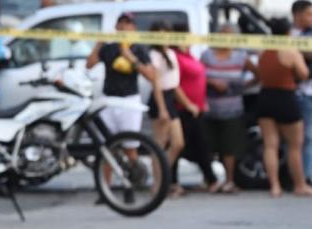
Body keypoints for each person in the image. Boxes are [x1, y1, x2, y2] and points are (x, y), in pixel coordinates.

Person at [86, 13, 158, 192]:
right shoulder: (110, 48)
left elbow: (151, 75)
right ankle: (105, 189)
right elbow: (90, 64)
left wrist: (130, 57)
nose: (125, 27)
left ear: (134, 28)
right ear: (116, 27)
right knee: (107, 148)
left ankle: (135, 181)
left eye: (129, 24)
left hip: (129, 102)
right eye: (122, 23)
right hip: (109, 101)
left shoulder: (138, 49)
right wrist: (99, 44)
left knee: (130, 147)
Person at [256, 17, 312, 198]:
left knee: (270, 145)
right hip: (285, 97)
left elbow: (261, 73)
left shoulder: (263, 50)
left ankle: (274, 186)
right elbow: (304, 74)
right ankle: (300, 184)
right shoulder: (290, 51)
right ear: (288, 32)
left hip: (265, 96)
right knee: (294, 146)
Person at [200, 25, 256, 193]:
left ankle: (229, 180)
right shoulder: (207, 56)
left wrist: (242, 87)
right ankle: (210, 179)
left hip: (232, 110)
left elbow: (258, 74)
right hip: (209, 108)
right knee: (208, 146)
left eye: (230, 36)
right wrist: (212, 83)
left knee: (229, 147)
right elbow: (198, 75)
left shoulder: (241, 57)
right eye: (223, 35)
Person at [170, 25, 218, 192]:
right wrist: (187, 104)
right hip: (183, 109)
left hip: (196, 109)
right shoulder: (175, 57)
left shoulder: (189, 56)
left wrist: (201, 102)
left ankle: (211, 179)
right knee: (177, 145)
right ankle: (171, 182)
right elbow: (174, 84)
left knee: (202, 145)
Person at [146, 21, 190, 197]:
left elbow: (174, 83)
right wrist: (162, 109)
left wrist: (187, 103)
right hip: (161, 99)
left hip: (170, 98)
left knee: (178, 143)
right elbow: (156, 84)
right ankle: (157, 184)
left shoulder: (170, 53)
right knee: (159, 145)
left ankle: (163, 176)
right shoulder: (154, 55)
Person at [289, 0, 312, 185]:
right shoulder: (287, 33)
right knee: (293, 140)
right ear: (297, 15)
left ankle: (306, 176)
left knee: (309, 136)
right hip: (290, 92)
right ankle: (295, 177)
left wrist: (298, 52)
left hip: (310, 93)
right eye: (309, 13)